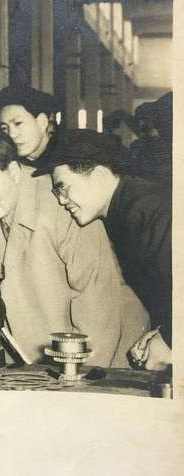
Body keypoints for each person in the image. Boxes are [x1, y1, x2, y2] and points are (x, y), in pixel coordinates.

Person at [0, 127, 149, 366]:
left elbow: (96, 304)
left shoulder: (63, 201)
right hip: (28, 357)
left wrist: (79, 379)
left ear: (15, 171)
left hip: (103, 348)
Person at [33, 129, 172, 371]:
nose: (61, 201)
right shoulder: (126, 208)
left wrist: (171, 339)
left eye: (63, 188)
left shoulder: (148, 210)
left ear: (97, 175)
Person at [0, 86, 60, 169]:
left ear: (42, 122)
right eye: (4, 128)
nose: (11, 135)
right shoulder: (10, 164)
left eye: (18, 123)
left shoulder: (67, 158)